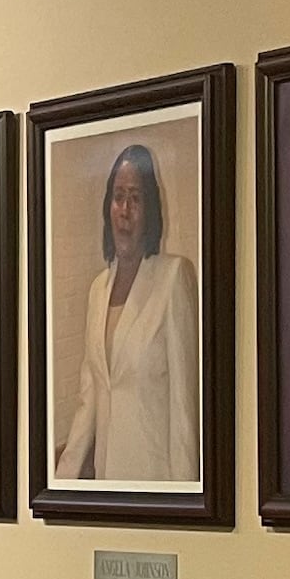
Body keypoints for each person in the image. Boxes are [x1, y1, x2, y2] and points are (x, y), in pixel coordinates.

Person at [51, 143, 202, 485]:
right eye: (118, 197)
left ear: (150, 209)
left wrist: (188, 501)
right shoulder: (97, 289)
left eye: (136, 198)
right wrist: (59, 486)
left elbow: (183, 412)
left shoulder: (174, 277)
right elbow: (88, 403)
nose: (125, 210)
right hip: (109, 487)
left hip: (158, 485)